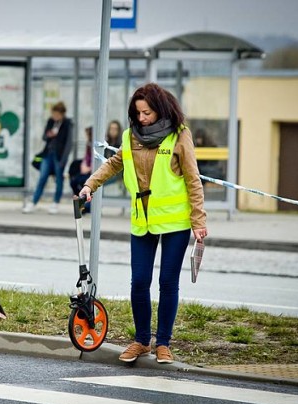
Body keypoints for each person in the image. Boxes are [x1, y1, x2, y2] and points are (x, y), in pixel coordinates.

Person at [80, 83, 207, 364]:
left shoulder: (179, 136)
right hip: (142, 220)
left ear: (160, 110)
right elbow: (115, 163)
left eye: (146, 113)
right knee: (139, 282)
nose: (141, 119)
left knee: (167, 282)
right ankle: (141, 340)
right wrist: (90, 185)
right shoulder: (131, 136)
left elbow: (193, 179)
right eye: (137, 113)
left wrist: (199, 219)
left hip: (175, 221)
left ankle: (163, 343)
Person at [23, 102, 72, 214]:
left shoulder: (67, 123)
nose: (54, 116)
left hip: (59, 156)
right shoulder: (51, 122)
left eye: (56, 114)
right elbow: (44, 137)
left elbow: (68, 143)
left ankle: (55, 202)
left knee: (59, 179)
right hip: (48, 153)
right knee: (42, 177)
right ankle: (33, 202)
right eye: (53, 114)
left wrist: (63, 160)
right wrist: (49, 134)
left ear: (62, 113)